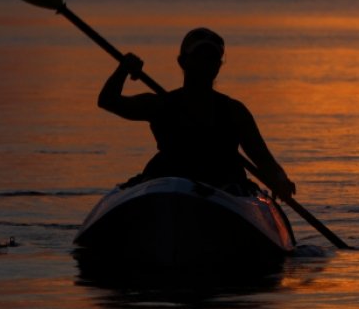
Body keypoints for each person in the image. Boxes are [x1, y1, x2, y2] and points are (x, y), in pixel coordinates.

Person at [98, 27, 296, 198]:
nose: (206, 63)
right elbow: (108, 101)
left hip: (224, 188)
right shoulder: (161, 105)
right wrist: (123, 69)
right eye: (199, 57)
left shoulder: (234, 111)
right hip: (168, 182)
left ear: (219, 65)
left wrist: (280, 179)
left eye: (212, 58)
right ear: (182, 61)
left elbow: (262, 157)